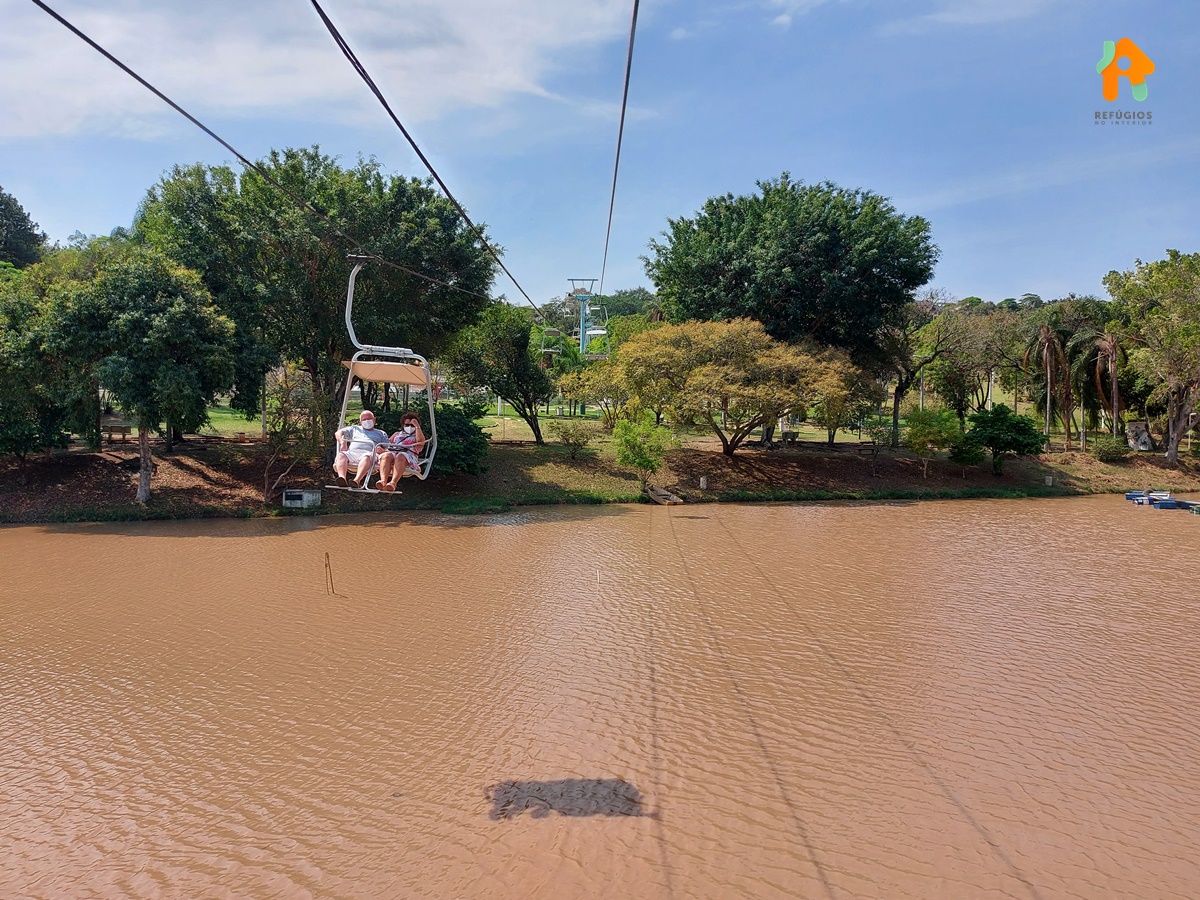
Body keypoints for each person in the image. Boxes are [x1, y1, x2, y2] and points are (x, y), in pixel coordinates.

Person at [333, 410, 387, 488]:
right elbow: (338, 433)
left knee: (366, 457)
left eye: (369, 419)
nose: (367, 421)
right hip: (353, 452)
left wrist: (382, 450)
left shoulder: (381, 433)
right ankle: (342, 478)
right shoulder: (355, 429)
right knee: (341, 455)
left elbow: (387, 448)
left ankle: (356, 480)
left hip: (369, 453)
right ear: (360, 422)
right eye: (364, 420)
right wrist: (343, 442)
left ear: (374, 420)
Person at [378, 411, 426, 491]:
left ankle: (393, 483)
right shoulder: (397, 434)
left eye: (412, 425)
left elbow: (421, 441)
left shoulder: (417, 435)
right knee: (387, 455)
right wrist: (381, 448)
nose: (409, 427)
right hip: (393, 452)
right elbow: (387, 444)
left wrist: (417, 426)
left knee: (401, 455)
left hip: (408, 455)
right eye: (407, 425)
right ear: (403, 425)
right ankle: (383, 481)